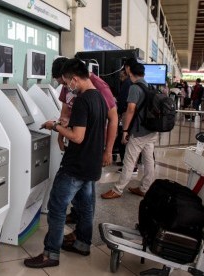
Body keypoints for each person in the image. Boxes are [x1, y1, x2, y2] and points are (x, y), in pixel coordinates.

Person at [24, 58, 108, 268]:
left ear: (76, 79)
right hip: (91, 164)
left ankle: (50, 254)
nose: (67, 86)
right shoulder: (99, 98)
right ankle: (82, 244)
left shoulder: (81, 100)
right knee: (86, 207)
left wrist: (55, 127)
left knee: (57, 207)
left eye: (68, 81)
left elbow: (77, 137)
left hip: (75, 166)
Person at [52, 57, 118, 226]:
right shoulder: (70, 86)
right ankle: (78, 223)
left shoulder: (99, 88)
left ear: (72, 77)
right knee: (81, 191)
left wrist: (108, 150)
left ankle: (80, 230)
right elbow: (65, 111)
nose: (65, 88)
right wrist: (61, 133)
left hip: (90, 146)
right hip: (75, 145)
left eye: (65, 83)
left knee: (85, 192)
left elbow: (113, 119)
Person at [101, 62, 158, 199]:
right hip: (151, 130)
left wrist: (125, 130)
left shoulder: (134, 88)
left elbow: (130, 109)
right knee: (148, 160)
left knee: (129, 160)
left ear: (130, 71)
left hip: (139, 132)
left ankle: (118, 189)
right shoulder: (149, 86)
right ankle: (145, 188)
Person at [115, 58, 139, 175]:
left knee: (125, 140)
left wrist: (118, 113)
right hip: (136, 117)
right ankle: (129, 165)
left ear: (128, 68)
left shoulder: (128, 83)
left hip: (127, 115)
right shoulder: (138, 83)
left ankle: (130, 167)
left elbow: (123, 102)